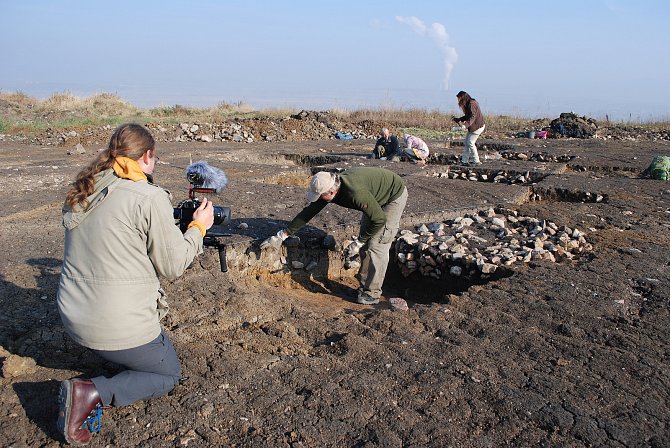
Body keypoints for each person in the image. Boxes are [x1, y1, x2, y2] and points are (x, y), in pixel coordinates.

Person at [56, 123, 214, 445]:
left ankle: (112, 357)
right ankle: (92, 392)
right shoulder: (148, 196)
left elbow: (118, 231)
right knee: (167, 374)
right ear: (147, 156)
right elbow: (172, 265)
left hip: (72, 319)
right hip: (114, 327)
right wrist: (198, 228)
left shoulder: (84, 188)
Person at [260, 167, 408, 305]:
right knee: (366, 245)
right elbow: (309, 212)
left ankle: (372, 294)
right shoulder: (331, 187)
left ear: (331, 192)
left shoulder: (355, 193)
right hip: (373, 196)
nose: (318, 199)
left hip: (392, 196)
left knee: (376, 245)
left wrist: (358, 242)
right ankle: (364, 288)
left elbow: (379, 219)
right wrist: (282, 235)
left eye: (320, 196)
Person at [452, 90, 486, 166]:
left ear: (463, 97)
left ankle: (476, 161)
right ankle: (464, 161)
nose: (458, 100)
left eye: (459, 98)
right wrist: (460, 119)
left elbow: (473, 117)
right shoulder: (469, 104)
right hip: (473, 127)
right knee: (466, 143)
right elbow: (468, 116)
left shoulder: (472, 104)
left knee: (470, 143)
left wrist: (465, 125)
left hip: (477, 127)